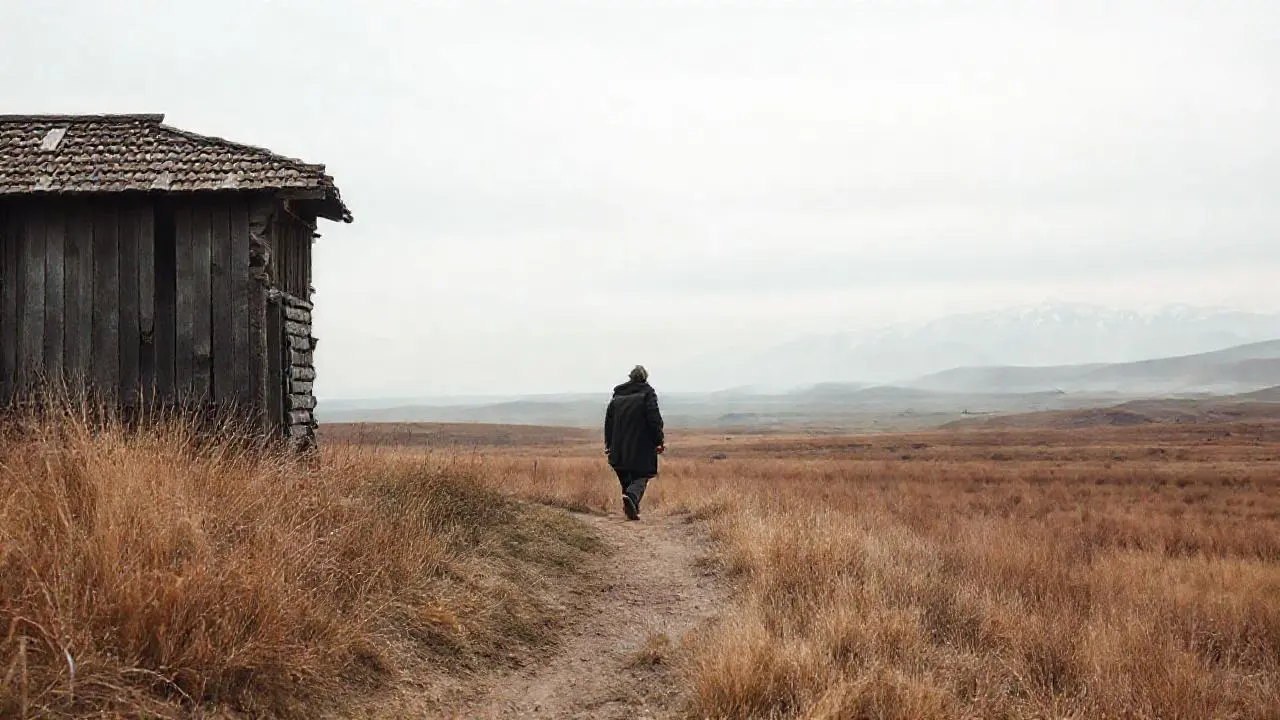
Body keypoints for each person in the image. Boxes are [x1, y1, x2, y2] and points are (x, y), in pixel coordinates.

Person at [604, 365, 665, 521]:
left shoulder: (617, 396)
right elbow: (654, 420)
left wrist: (609, 444)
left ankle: (631, 507)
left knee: (625, 476)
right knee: (643, 475)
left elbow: (609, 423)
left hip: (618, 447)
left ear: (630, 377)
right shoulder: (647, 394)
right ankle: (631, 498)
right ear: (645, 378)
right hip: (642, 446)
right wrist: (659, 441)